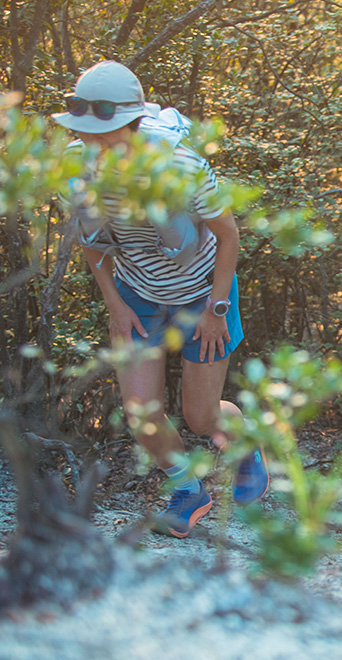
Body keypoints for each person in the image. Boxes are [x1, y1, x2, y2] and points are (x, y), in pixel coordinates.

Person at [52, 61, 269, 538]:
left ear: (132, 124)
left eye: (106, 133)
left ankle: (246, 442)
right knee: (140, 413)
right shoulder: (76, 166)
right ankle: (189, 490)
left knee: (201, 415)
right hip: (138, 291)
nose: (95, 143)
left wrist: (217, 311)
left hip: (201, 288)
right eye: (87, 132)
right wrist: (115, 304)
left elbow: (229, 235)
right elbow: (91, 242)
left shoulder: (181, 164)